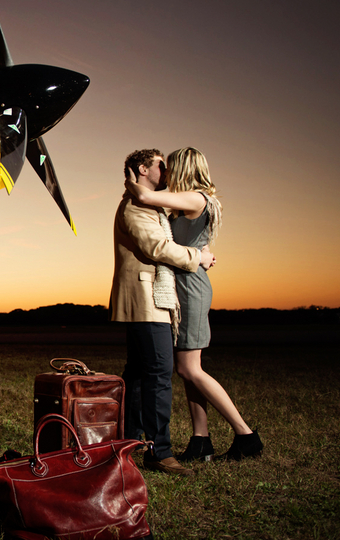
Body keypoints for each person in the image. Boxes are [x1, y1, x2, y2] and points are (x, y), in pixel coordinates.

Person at [126, 147, 263, 461]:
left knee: (190, 368)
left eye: (170, 166)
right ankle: (201, 439)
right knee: (187, 370)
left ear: (184, 167)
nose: (168, 172)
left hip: (190, 288)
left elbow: (145, 198)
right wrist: (202, 254)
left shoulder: (196, 197)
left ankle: (245, 435)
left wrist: (132, 178)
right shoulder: (192, 201)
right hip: (184, 283)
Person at [110, 149, 215, 476]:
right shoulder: (135, 207)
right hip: (144, 298)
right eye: (160, 165)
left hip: (150, 298)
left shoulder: (146, 202)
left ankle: (129, 443)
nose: (167, 170)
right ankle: (160, 451)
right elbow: (157, 248)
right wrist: (197, 256)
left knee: (140, 374)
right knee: (158, 372)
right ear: (144, 168)